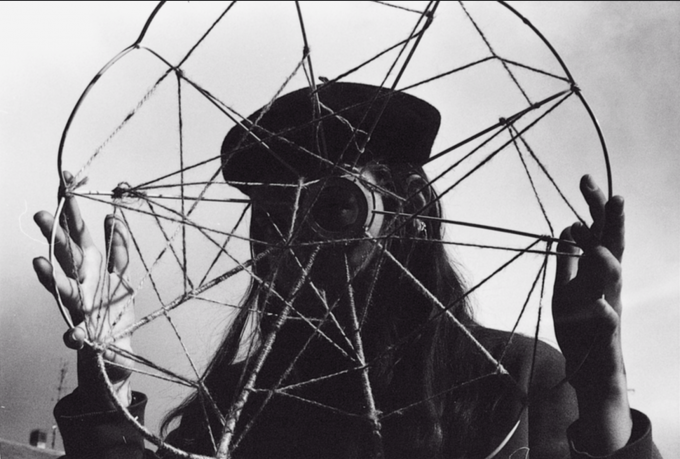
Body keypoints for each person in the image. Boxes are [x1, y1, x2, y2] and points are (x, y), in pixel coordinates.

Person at [33, 83, 662, 458]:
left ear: (407, 212)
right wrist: (107, 382)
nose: (304, 241)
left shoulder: (514, 380)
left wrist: (601, 385)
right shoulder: (232, 409)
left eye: (335, 207)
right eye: (275, 216)